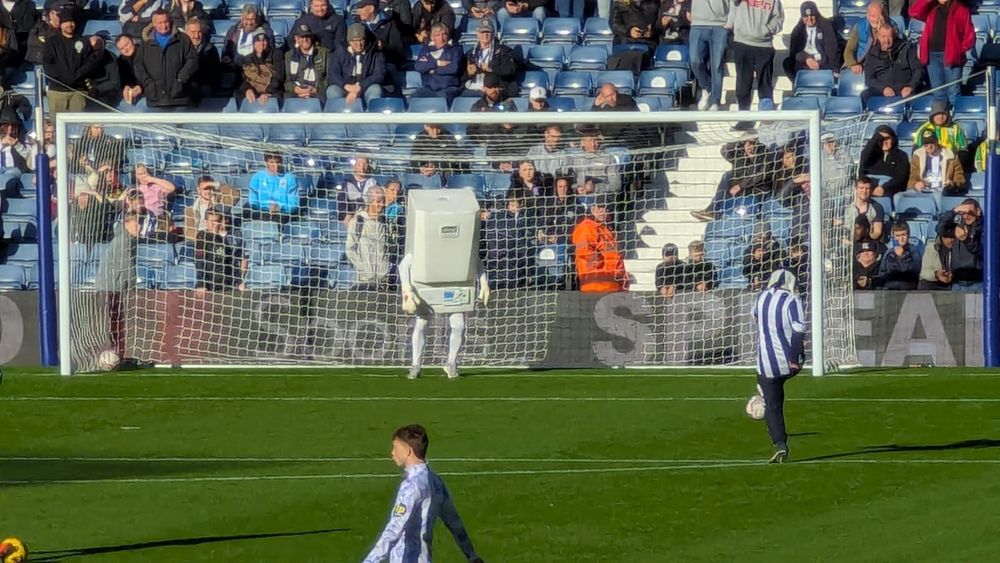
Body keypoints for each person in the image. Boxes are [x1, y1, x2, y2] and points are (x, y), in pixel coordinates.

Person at [362, 424, 484, 562]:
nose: (392, 452)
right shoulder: (435, 481)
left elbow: (394, 529)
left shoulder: (411, 486)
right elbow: (454, 522)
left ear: (408, 451)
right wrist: (471, 554)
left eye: (395, 448)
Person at [398, 251, 489, 379]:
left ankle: (451, 363)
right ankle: (415, 365)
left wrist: (484, 281)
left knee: (459, 325)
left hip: (454, 287)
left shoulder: (458, 244)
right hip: (427, 288)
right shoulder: (424, 244)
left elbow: (474, 258)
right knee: (422, 322)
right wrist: (406, 288)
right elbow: (403, 265)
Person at [752, 269, 806, 464]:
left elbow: (756, 318)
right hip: (789, 363)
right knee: (776, 395)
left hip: (766, 364)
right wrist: (795, 358)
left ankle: (780, 444)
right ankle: (764, 398)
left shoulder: (761, 298)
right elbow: (799, 330)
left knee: (773, 404)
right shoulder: (792, 300)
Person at [726, 0, 783, 126]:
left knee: (765, 84)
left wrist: (767, 29)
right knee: (743, 84)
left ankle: (766, 120)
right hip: (742, 43)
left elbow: (778, 18)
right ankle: (744, 118)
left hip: (764, 45)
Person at [909, 0, 974, 105]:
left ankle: (954, 118)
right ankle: (941, 119)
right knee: (938, 93)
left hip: (952, 57)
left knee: (954, 92)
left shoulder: (961, 10)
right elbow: (914, 12)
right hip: (932, 56)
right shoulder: (931, 8)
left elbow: (970, 36)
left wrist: (958, 50)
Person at [135, 9, 199, 109]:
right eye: (160, 23)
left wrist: (180, 80)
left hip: (180, 98)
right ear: (153, 24)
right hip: (155, 100)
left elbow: (193, 60)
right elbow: (138, 65)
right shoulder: (146, 43)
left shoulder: (182, 39)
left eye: (166, 22)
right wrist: (148, 83)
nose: (164, 26)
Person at [43, 6, 101, 116]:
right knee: (57, 125)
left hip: (78, 91)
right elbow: (47, 64)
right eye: (66, 22)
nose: (69, 25)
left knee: (77, 128)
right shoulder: (52, 42)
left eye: (71, 21)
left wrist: (77, 76)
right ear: (60, 24)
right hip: (57, 91)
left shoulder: (83, 41)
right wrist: (63, 78)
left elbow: (90, 63)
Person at [572, 196, 627, 292]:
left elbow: (614, 256)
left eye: (606, 208)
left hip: (610, 285)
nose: (603, 211)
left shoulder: (604, 230)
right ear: (592, 209)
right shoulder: (586, 227)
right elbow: (583, 249)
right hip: (596, 285)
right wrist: (597, 261)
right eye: (600, 207)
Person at [327, 23, 385, 105]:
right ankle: (339, 114)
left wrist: (360, 86)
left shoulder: (374, 53)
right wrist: (346, 86)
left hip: (365, 87)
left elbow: (379, 74)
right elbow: (333, 73)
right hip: (346, 87)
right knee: (332, 90)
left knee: (376, 89)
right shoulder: (340, 52)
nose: (359, 44)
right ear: (349, 41)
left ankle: (371, 114)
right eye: (355, 41)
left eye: (361, 40)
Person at [462, 19, 520, 99]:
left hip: (495, 87)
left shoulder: (504, 51)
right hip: (475, 86)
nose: (485, 35)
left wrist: (491, 69)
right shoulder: (470, 53)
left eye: (488, 32)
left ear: (493, 34)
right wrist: (469, 73)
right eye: (482, 32)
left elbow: (511, 69)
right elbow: (462, 76)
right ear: (477, 34)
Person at [863, 24, 923, 102]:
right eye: (883, 37)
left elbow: (918, 70)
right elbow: (869, 79)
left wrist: (910, 86)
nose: (887, 40)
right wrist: (883, 88)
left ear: (894, 36)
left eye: (889, 37)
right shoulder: (872, 54)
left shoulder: (907, 49)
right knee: (865, 95)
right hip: (882, 90)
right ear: (878, 37)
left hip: (905, 89)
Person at [346, 186, 390, 289]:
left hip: (384, 282)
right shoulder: (357, 222)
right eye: (378, 201)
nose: (381, 205)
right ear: (370, 202)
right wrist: (364, 268)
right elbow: (350, 250)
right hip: (364, 282)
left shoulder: (386, 223)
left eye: (383, 201)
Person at [782, 1, 839, 80]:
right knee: (788, 63)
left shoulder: (826, 26)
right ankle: (798, 86)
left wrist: (831, 67)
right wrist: (806, 58)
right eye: (806, 16)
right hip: (806, 61)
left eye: (812, 15)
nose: (809, 19)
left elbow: (832, 49)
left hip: (822, 61)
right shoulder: (798, 30)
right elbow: (794, 51)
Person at [194, 209, 245, 296]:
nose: (215, 224)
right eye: (212, 222)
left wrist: (239, 281)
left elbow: (232, 262)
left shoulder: (227, 239)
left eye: (217, 221)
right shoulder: (202, 236)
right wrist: (201, 283)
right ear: (206, 221)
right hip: (210, 284)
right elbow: (200, 261)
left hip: (228, 283)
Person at [690, 0, 729, 111]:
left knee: (717, 66)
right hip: (697, 24)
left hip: (720, 25)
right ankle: (707, 88)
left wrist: (730, 21)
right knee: (695, 61)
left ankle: (715, 100)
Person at [412, 23, 463, 103]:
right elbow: (419, 66)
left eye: (444, 34)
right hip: (428, 87)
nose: (442, 38)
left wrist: (432, 70)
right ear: (432, 37)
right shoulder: (426, 49)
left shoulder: (455, 49)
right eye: (438, 35)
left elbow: (453, 68)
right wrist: (437, 63)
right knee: (414, 98)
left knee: (440, 100)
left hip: (448, 87)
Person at [843, 0, 894, 75]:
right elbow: (849, 50)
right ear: (867, 15)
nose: (876, 20)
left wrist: (881, 30)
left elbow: (893, 50)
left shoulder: (891, 27)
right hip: (861, 63)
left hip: (883, 64)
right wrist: (853, 64)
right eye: (872, 16)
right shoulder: (860, 26)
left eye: (878, 16)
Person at [860, 124, 910, 197]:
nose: (884, 142)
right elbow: (862, 168)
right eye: (881, 139)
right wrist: (875, 139)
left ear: (893, 139)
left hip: (891, 191)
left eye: (887, 138)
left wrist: (884, 188)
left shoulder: (901, 155)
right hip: (869, 189)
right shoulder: (870, 155)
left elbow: (901, 177)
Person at [246, 152, 299, 221]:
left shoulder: (290, 178)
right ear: (266, 163)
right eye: (272, 162)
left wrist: (280, 208)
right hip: (262, 214)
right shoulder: (257, 177)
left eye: (278, 162)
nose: (276, 166)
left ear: (282, 162)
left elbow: (294, 204)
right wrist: (267, 209)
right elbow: (253, 201)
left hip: (283, 215)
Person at [284, 23, 329, 100]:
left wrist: (316, 90)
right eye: (302, 37)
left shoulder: (324, 53)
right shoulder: (289, 55)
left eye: (307, 36)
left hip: (317, 92)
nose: (305, 39)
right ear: (296, 38)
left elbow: (328, 78)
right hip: (296, 92)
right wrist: (296, 89)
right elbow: (286, 81)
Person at [238, 32, 284, 105]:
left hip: (271, 90)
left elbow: (279, 77)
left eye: (264, 41)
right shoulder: (248, 58)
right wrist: (248, 89)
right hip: (253, 90)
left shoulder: (276, 54)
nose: (262, 44)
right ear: (253, 44)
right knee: (238, 95)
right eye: (258, 41)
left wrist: (268, 92)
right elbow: (244, 79)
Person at [184, 16, 220, 99]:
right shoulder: (179, 49)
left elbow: (213, 75)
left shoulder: (210, 50)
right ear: (186, 33)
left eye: (199, 32)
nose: (197, 36)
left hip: (202, 85)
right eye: (193, 32)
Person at [877, 222, 921, 289]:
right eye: (897, 236)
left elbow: (913, 273)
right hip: (889, 290)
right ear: (893, 237)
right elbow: (882, 274)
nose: (901, 239)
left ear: (908, 235)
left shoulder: (914, 252)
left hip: (907, 290)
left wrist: (901, 257)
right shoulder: (888, 253)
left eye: (903, 235)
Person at [919, 223, 955, 290]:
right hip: (932, 284)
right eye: (946, 237)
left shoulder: (960, 249)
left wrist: (953, 275)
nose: (950, 240)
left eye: (953, 237)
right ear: (941, 237)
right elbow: (923, 272)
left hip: (952, 284)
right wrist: (936, 274)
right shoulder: (931, 248)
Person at [116, 34, 143, 105]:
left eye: (126, 45)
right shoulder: (120, 61)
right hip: (132, 93)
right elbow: (122, 80)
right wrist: (126, 86)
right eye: (122, 48)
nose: (126, 49)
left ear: (133, 41)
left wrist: (141, 87)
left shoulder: (145, 53)